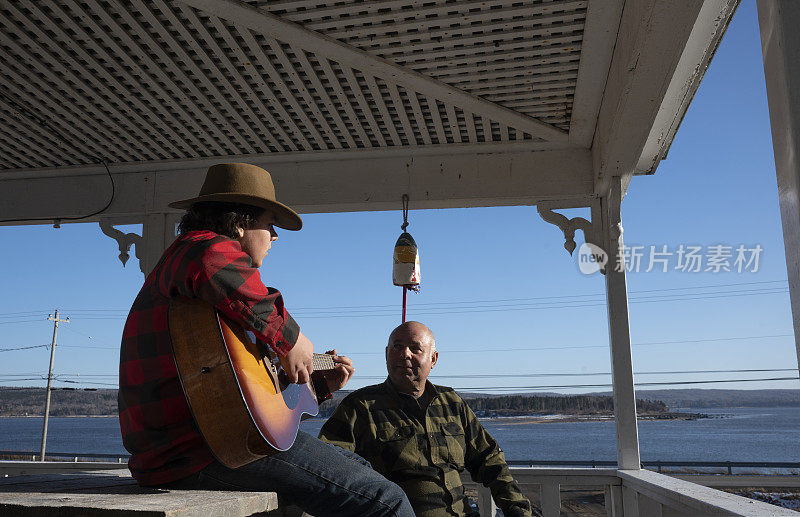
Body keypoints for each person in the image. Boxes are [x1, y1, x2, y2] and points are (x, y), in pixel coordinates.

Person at [118, 163, 413, 517]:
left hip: (200, 446)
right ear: (240, 223)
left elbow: (243, 402)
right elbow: (215, 263)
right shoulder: (203, 250)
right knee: (388, 501)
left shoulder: (205, 303)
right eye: (269, 224)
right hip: (198, 452)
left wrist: (314, 384)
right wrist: (292, 340)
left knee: (361, 469)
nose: (275, 236)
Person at [319, 321, 538, 517]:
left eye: (415, 348)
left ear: (433, 359)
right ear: (387, 354)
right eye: (397, 347)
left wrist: (517, 509)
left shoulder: (451, 403)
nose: (405, 354)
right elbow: (325, 466)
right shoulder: (360, 406)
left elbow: (489, 459)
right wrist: (315, 390)